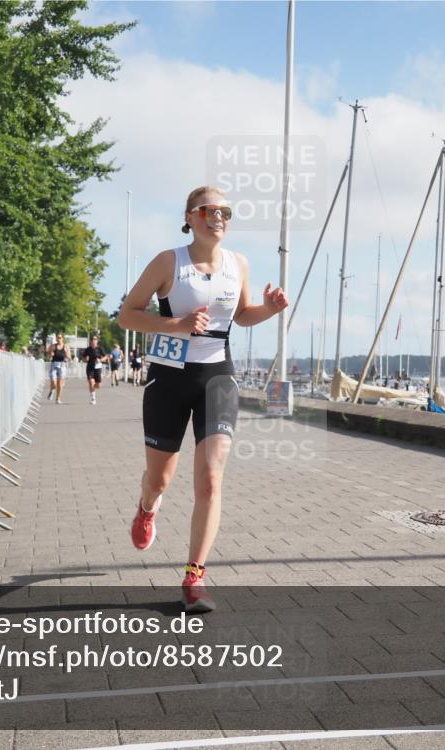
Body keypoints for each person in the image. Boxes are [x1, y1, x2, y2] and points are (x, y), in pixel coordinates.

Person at [117, 185, 288, 613]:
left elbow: (243, 315)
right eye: (211, 210)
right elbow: (127, 314)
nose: (220, 217)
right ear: (191, 216)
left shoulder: (239, 263)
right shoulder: (167, 262)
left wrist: (268, 309)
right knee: (160, 480)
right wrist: (176, 323)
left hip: (217, 378)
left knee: (211, 478)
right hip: (170, 379)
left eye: (226, 211)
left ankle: (195, 576)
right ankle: (146, 507)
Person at [80, 334, 108, 404]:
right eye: (92, 340)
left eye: (95, 339)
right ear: (90, 341)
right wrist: (85, 359)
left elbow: (105, 357)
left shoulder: (100, 349)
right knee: (91, 382)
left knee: (98, 385)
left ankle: (94, 387)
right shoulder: (87, 349)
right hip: (90, 367)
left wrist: (100, 360)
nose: (93, 341)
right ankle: (93, 398)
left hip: (98, 368)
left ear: (97, 341)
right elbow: (83, 358)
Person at [46, 334, 71, 403]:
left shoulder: (66, 346)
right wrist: (50, 354)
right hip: (54, 364)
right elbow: (48, 352)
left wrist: (66, 357)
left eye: (60, 338)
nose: (59, 339)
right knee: (54, 383)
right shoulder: (53, 346)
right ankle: (52, 390)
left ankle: (58, 398)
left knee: (60, 384)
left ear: (62, 338)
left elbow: (69, 357)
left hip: (62, 365)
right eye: (57, 338)